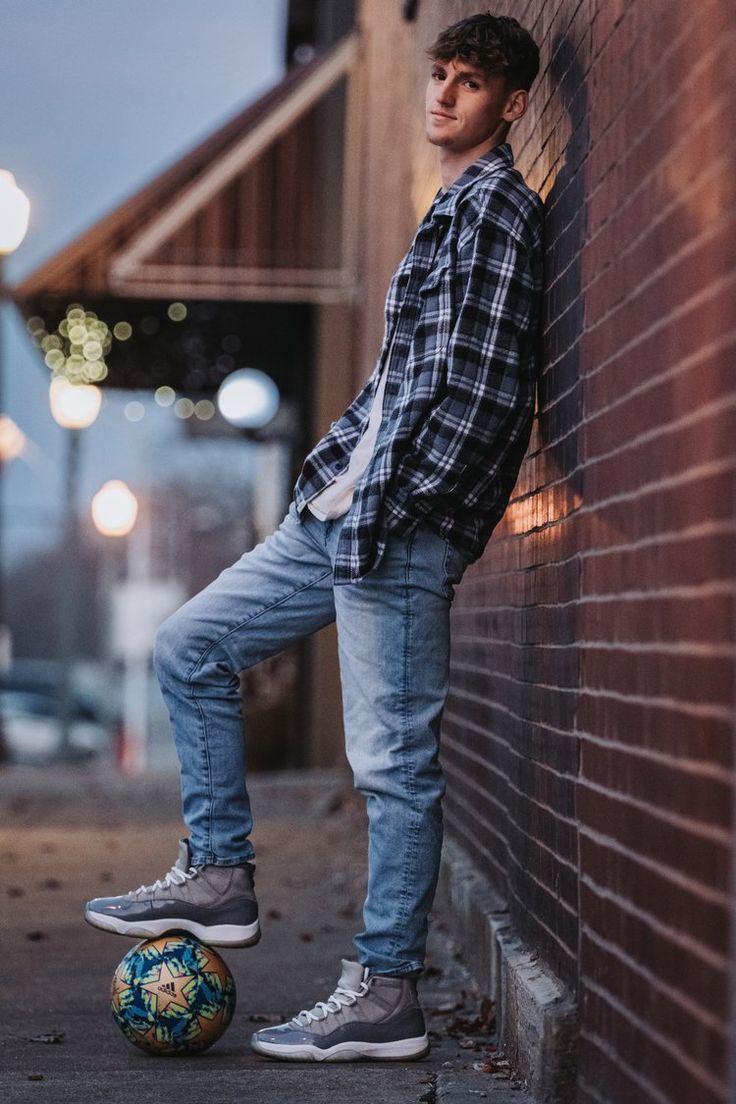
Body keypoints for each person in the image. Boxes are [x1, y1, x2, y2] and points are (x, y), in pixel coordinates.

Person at [84, 12, 544, 1063]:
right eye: (437, 74)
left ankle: (386, 992)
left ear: (508, 105)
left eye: (468, 83)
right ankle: (219, 874)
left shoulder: (496, 213)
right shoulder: (446, 207)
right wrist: (332, 480)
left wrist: (392, 509)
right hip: (338, 515)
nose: (441, 95)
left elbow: (480, 399)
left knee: (390, 766)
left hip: (395, 529)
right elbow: (398, 390)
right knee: (189, 645)